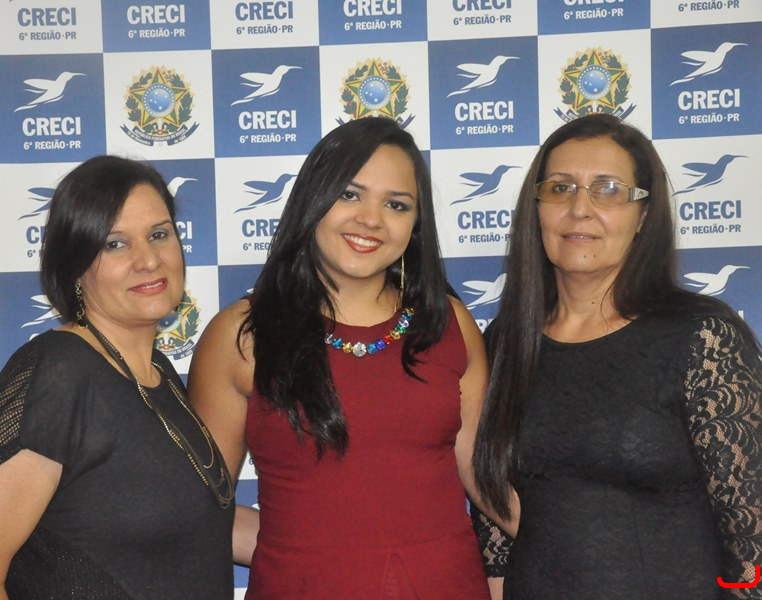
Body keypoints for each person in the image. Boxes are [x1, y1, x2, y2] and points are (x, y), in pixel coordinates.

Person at [188, 116, 516, 599]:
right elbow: (198, 508)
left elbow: (484, 479)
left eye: (396, 204)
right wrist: (299, 548)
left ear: (415, 224)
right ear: (313, 199)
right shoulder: (240, 335)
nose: (371, 219)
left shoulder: (450, 323)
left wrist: (583, 545)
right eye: (349, 194)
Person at [471, 113, 762, 599]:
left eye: (607, 190)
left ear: (643, 215)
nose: (579, 209)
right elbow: (496, 529)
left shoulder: (701, 336)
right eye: (560, 188)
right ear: (536, 209)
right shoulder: (505, 341)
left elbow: (752, 537)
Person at [0, 156, 235, 600]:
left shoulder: (157, 373)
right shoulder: (59, 373)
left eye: (159, 234)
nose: (148, 260)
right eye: (115, 244)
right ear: (75, 264)